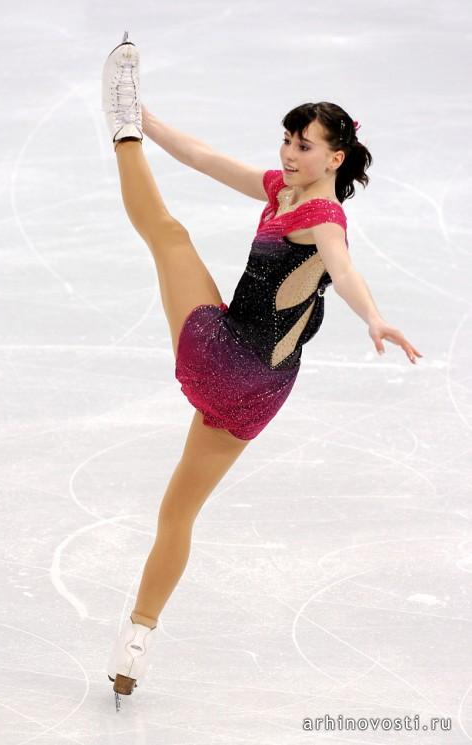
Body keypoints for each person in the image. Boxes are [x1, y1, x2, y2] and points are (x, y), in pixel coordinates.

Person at [102, 31, 423, 708]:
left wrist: (372, 315)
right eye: (286, 140)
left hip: (226, 355)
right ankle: (136, 640)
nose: (288, 153)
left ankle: (119, 129)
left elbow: (342, 266)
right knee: (178, 511)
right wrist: (158, 121)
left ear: (335, 156)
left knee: (169, 235)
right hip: (262, 390)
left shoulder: (321, 215)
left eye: (303, 145)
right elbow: (206, 158)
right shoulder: (283, 191)